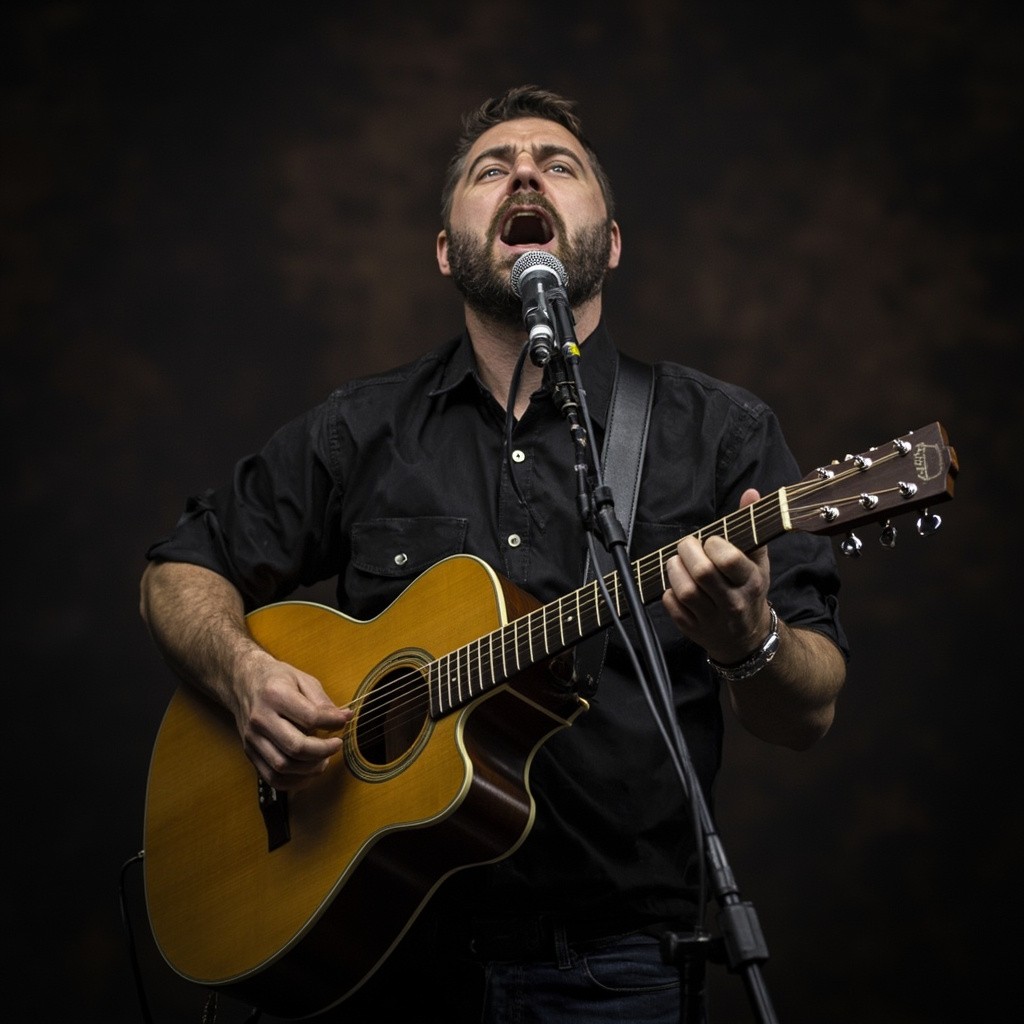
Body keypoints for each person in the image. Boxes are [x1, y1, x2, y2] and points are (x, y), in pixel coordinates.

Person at [140, 85, 848, 1023]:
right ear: (447, 250)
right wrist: (244, 676)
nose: (524, 175)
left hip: (613, 975)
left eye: (558, 165)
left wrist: (748, 639)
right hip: (373, 961)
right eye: (491, 169)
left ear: (611, 242)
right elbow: (179, 570)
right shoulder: (361, 428)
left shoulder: (720, 432)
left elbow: (809, 710)